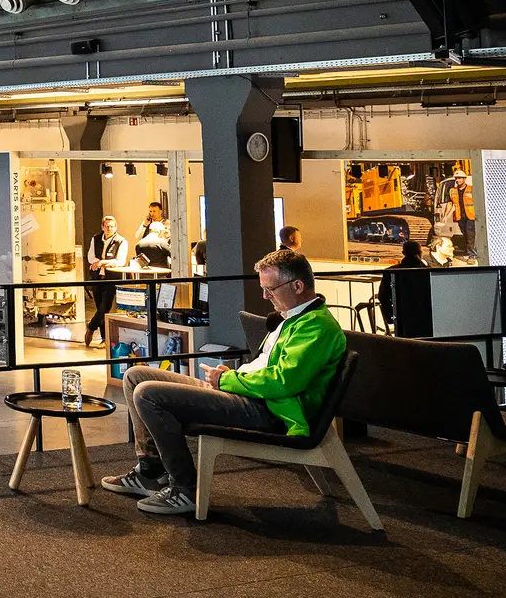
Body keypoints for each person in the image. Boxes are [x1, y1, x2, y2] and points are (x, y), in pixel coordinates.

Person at [101, 249, 346, 516]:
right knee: (136, 376)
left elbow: (283, 382)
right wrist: (233, 377)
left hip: (268, 409)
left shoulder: (316, 326)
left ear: (297, 286)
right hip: (251, 395)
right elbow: (268, 369)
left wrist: (228, 379)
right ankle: (150, 471)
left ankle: (184, 488)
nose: (265, 297)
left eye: (270, 289)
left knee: (148, 393)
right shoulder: (293, 318)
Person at [84, 215, 129, 348]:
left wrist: (102, 263)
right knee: (100, 308)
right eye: (107, 226)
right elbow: (90, 256)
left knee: (105, 308)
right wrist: (98, 262)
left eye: (112, 226)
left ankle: (91, 327)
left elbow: (120, 261)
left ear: (116, 227)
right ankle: (104, 339)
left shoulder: (121, 241)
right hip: (97, 278)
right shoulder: (96, 239)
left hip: (112, 279)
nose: (109, 229)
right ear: (102, 227)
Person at [378, 238, 433, 338]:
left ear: (403, 253)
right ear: (420, 253)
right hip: (426, 320)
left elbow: (383, 297)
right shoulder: (429, 272)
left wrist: (391, 317)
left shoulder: (391, 272)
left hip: (402, 320)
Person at [134, 202, 172, 269]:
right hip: (148, 255)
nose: (152, 214)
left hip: (163, 254)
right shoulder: (147, 223)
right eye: (150, 211)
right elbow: (137, 236)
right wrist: (144, 225)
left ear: (160, 212)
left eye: (154, 211)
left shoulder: (167, 223)